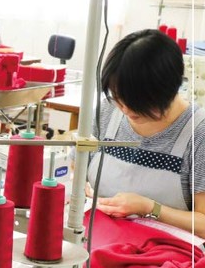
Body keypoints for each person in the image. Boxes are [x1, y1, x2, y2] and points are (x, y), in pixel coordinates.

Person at [87, 29, 204, 238]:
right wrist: (83, 188)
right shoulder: (107, 111)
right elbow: (76, 169)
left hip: (164, 250)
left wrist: (150, 208)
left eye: (137, 102)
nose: (126, 109)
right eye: (119, 98)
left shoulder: (198, 134)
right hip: (97, 236)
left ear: (169, 90)